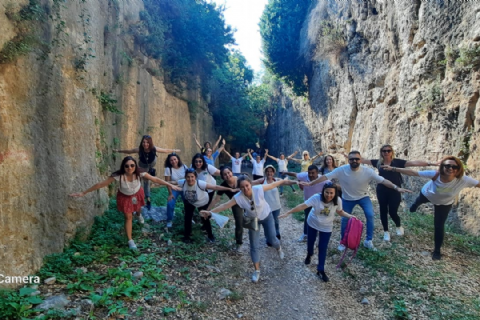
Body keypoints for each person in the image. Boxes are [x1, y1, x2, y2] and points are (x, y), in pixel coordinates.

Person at [301, 151, 411, 251]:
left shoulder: (367, 171)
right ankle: (343, 242)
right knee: (345, 220)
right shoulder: (341, 170)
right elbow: (325, 177)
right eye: (352, 159)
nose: (354, 161)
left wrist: (397, 188)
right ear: (348, 160)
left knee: (370, 215)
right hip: (347, 198)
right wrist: (311, 183)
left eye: (357, 159)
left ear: (360, 160)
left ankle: (368, 240)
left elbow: (383, 181)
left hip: (363, 197)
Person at [69, 156, 181, 250]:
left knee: (138, 209)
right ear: (123, 166)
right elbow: (100, 184)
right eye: (127, 166)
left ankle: (138, 215)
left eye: (132, 165)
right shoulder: (119, 175)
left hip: (137, 193)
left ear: (135, 166)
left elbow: (154, 179)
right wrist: (83, 192)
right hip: (125, 196)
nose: (130, 168)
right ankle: (130, 240)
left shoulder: (140, 173)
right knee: (128, 217)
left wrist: (170, 185)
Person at [201, 175, 297, 283]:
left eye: (247, 186)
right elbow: (225, 205)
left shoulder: (258, 189)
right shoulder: (238, 197)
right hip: (252, 220)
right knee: (254, 245)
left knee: (272, 239)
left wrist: (285, 180)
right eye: (242, 187)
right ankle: (257, 270)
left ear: (250, 184)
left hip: (266, 216)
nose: (245, 189)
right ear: (239, 188)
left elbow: (273, 184)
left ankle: (278, 248)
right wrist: (210, 212)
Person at [382, 156, 480, 260]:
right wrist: (393, 168)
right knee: (419, 200)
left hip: (444, 204)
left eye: (454, 166)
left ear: (458, 169)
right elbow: (413, 173)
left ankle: (437, 251)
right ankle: (415, 205)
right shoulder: (435, 174)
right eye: (447, 166)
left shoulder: (463, 180)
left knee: (439, 225)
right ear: (442, 167)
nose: (450, 168)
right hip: (427, 195)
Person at [357, 145, 437, 241]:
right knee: (383, 211)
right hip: (382, 189)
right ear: (381, 152)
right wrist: (349, 157)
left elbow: (413, 163)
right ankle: (386, 232)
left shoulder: (397, 162)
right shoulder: (378, 162)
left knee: (393, 212)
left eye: (388, 151)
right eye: (384, 151)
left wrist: (430, 163)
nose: (386, 152)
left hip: (395, 190)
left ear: (391, 152)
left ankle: (398, 226)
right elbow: (363, 160)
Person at [279, 183, 353, 282]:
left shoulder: (338, 200)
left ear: (335, 193)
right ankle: (309, 254)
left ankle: (320, 270)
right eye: (327, 192)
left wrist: (350, 217)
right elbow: (303, 206)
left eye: (331, 193)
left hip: (326, 227)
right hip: (313, 223)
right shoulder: (316, 198)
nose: (329, 195)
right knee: (311, 242)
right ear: (323, 191)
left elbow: (340, 211)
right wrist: (289, 212)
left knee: (323, 247)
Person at [114, 135, 180, 210]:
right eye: (144, 142)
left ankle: (150, 173)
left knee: (149, 176)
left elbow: (165, 150)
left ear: (150, 143)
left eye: (147, 142)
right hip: (143, 166)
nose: (145, 144)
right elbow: (129, 151)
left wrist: (175, 150)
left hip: (152, 163)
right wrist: (118, 150)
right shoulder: (140, 149)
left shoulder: (154, 149)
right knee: (146, 181)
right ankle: (147, 198)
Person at [174, 168, 236, 243]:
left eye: (192, 177)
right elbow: (172, 182)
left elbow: (215, 187)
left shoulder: (200, 183)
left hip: (202, 202)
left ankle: (210, 235)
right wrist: (161, 183)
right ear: (185, 177)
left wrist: (229, 189)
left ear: (195, 177)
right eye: (188, 177)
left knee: (205, 218)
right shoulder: (183, 182)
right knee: (187, 218)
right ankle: (187, 236)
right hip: (190, 202)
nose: (190, 179)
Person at [284, 165, 331, 242]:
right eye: (309, 173)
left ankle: (318, 235)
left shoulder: (323, 179)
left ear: (317, 173)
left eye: (313, 173)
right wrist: (285, 172)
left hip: (319, 202)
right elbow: (295, 174)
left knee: (320, 218)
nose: (311, 175)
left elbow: (332, 185)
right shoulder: (304, 176)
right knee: (307, 217)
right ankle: (305, 234)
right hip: (308, 202)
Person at [208, 166, 244, 250]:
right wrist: (207, 210)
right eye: (225, 174)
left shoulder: (240, 179)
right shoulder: (223, 185)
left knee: (252, 218)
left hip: (247, 202)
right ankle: (239, 243)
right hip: (235, 204)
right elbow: (216, 199)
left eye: (228, 173)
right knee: (239, 223)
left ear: (231, 172)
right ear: (222, 177)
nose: (227, 175)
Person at [254, 165, 284, 242]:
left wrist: (296, 181)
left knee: (276, 221)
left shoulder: (276, 180)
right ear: (265, 172)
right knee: (267, 224)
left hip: (276, 206)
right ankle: (268, 238)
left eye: (271, 171)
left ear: (273, 172)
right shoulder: (262, 181)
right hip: (266, 207)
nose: (269, 173)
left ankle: (277, 234)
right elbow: (251, 183)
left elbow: (285, 182)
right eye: (267, 171)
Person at [164, 153, 189, 228]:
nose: (173, 161)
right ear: (169, 161)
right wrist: (170, 194)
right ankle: (169, 220)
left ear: (178, 159)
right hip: (174, 188)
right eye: (171, 160)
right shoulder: (168, 169)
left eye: (175, 159)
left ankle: (189, 217)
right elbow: (167, 183)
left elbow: (189, 178)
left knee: (188, 203)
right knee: (170, 203)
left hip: (185, 188)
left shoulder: (184, 167)